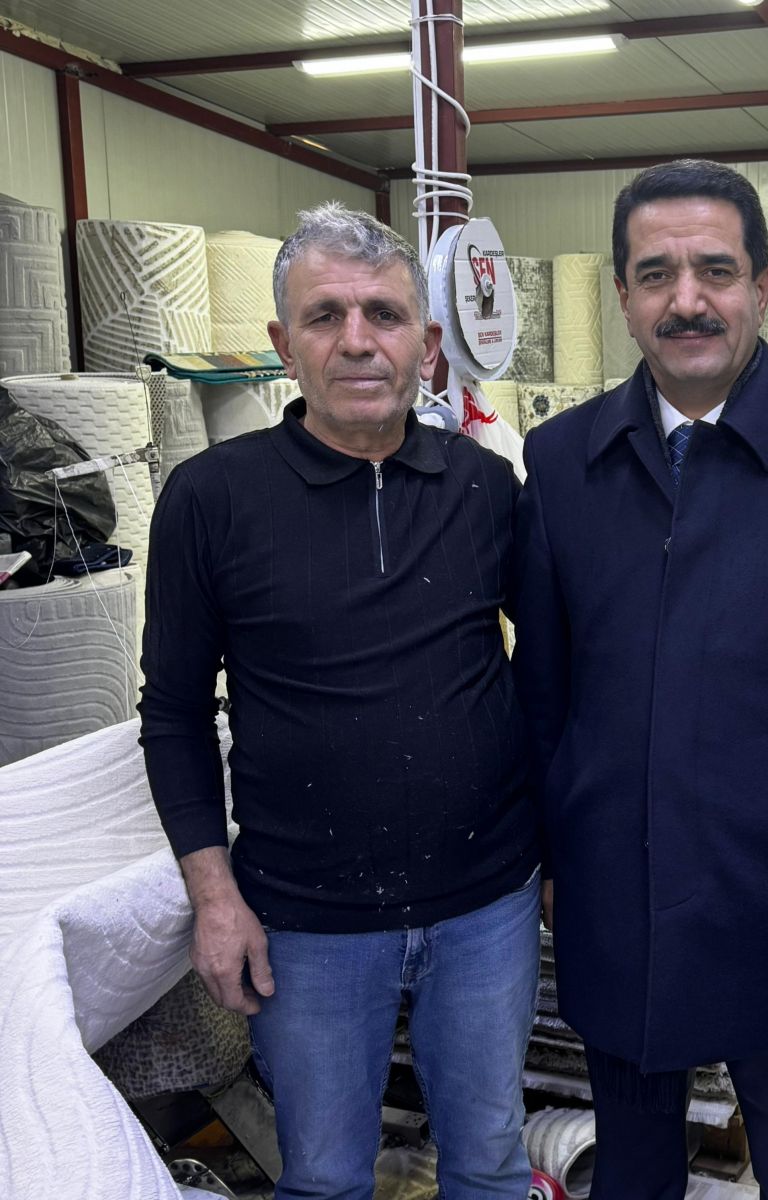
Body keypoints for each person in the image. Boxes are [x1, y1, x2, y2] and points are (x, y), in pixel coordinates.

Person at [512, 159, 768, 1200]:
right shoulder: (561, 464)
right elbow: (544, 692)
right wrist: (554, 857)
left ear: (763, 287)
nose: (686, 300)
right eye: (655, 274)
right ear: (621, 295)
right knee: (633, 1170)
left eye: (715, 270)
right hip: (615, 888)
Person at [139, 203, 540, 1200]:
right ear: (284, 345)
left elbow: (550, 670)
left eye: (383, 315)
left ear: (427, 343)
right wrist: (215, 899)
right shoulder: (211, 499)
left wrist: (556, 846)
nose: (357, 341)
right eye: (325, 316)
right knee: (322, 1179)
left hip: (484, 907)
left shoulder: (487, 489)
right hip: (305, 922)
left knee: (490, 1164)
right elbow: (174, 713)